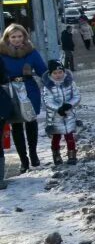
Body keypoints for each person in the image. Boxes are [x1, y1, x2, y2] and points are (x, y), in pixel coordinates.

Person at [0, 24, 48, 171]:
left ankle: (33, 154)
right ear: (7, 38)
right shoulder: (1, 53)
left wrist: (56, 83)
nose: (16, 39)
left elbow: (43, 71)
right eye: (13, 37)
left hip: (29, 89)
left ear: (25, 37)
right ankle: (23, 160)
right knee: (16, 125)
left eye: (19, 36)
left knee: (31, 121)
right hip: (10, 91)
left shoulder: (31, 52)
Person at [41, 61, 80, 165]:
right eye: (55, 73)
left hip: (68, 113)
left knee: (69, 135)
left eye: (60, 72)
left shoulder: (70, 83)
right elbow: (47, 101)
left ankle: (72, 154)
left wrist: (69, 105)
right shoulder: (48, 86)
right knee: (56, 136)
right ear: (50, 74)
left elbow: (76, 96)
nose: (58, 75)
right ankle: (56, 154)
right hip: (55, 116)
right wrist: (58, 108)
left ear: (64, 72)